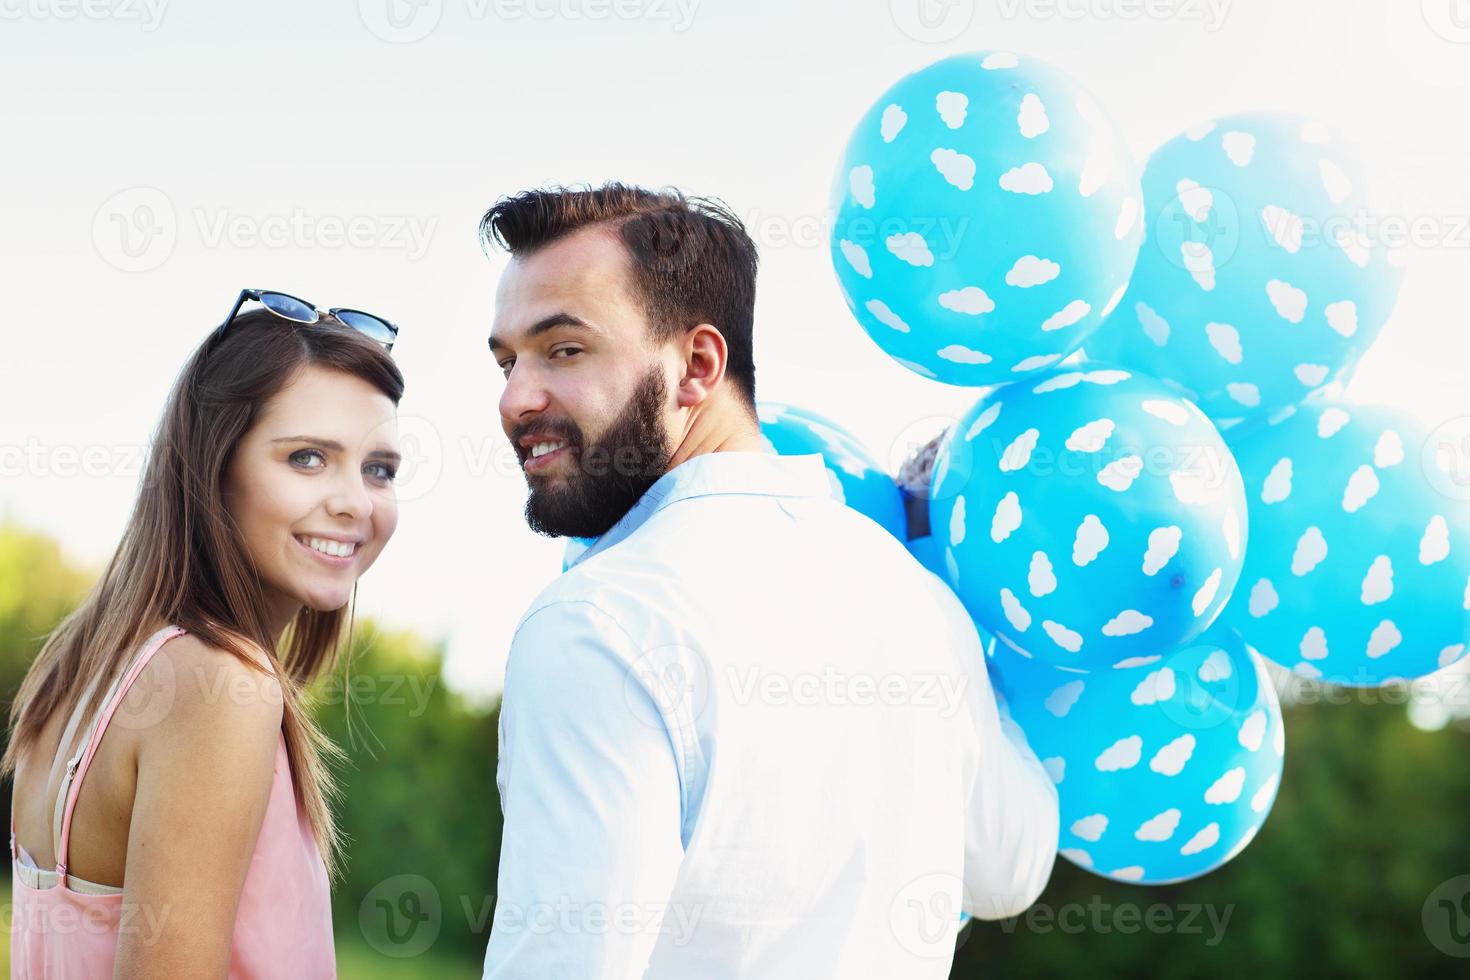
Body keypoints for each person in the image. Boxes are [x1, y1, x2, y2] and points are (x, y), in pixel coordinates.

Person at [481, 183, 1060, 978]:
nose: (516, 399)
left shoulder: (597, 623)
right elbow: (1009, 869)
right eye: (508, 360)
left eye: (565, 350)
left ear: (697, 364)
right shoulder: (918, 597)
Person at [4, 291, 405, 978]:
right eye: (307, 458)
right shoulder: (222, 685)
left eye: (379, 469)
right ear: (213, 467)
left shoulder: (78, 665)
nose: (353, 501)